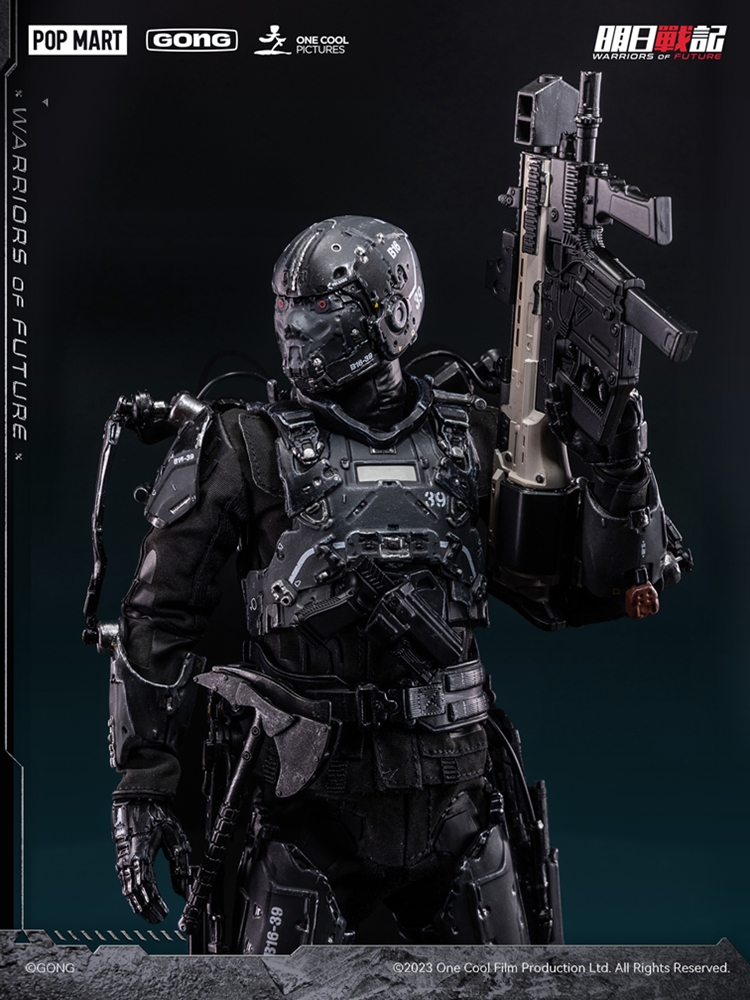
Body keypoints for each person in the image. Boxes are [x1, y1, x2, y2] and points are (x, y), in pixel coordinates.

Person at [107, 216, 685, 953]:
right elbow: (158, 616)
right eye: (287, 303)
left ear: (387, 314)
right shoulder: (246, 443)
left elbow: (582, 591)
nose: (295, 324)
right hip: (303, 806)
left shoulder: (476, 437)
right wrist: (145, 786)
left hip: (456, 799)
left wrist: (621, 468)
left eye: (320, 306)